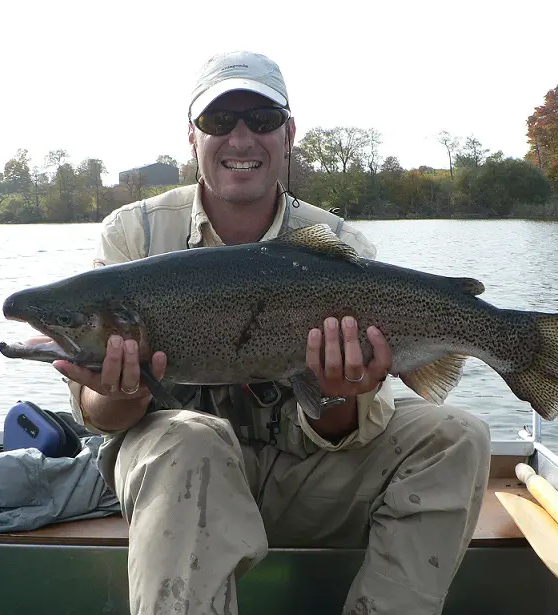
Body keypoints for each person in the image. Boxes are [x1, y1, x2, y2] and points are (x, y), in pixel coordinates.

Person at [54, 50, 491, 615]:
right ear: (192, 138)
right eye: (219, 121)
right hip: (174, 481)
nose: (241, 139)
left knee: (457, 435)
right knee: (190, 440)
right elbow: (100, 416)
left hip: (303, 471)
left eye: (261, 120)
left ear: (288, 135)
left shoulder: (336, 245)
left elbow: (342, 428)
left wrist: (337, 389)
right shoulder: (133, 234)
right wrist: (119, 388)